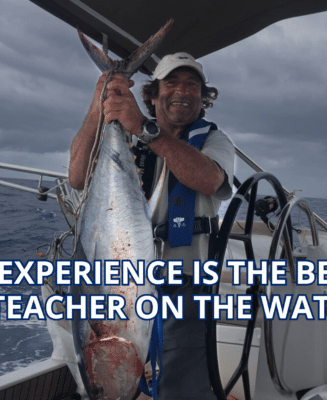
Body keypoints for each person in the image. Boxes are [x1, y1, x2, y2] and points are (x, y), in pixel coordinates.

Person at [69, 52, 235, 400]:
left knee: (182, 388)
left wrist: (145, 129)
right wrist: (100, 103)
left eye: (193, 85)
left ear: (202, 97)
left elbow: (207, 179)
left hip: (183, 286)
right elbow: (77, 176)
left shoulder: (213, 142)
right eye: (172, 82)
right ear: (154, 93)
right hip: (123, 284)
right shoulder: (125, 138)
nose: (182, 91)